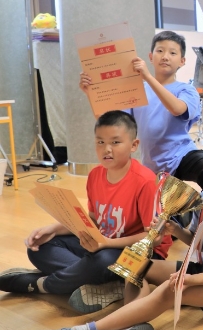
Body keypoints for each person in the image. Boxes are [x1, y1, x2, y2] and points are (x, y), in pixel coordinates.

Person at [29, 125, 203, 330]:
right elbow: (198, 241)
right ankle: (129, 326)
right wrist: (175, 230)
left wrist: (190, 279)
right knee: (134, 263)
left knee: (170, 290)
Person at [0, 111, 172, 315]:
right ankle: (104, 282)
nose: (107, 149)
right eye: (100, 142)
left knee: (103, 260)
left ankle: (41, 285)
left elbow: (152, 238)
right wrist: (53, 229)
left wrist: (105, 243)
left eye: (115, 142)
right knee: (39, 247)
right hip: (102, 245)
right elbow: (93, 220)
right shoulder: (95, 175)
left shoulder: (145, 181)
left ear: (134, 145)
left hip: (141, 254)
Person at [80, 31, 203, 190]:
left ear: (182, 61)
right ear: (151, 57)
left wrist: (148, 77)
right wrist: (90, 93)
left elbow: (177, 109)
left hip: (182, 156)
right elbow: (110, 123)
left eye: (172, 53)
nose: (165, 57)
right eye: (160, 51)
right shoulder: (138, 90)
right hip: (151, 166)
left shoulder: (186, 90)